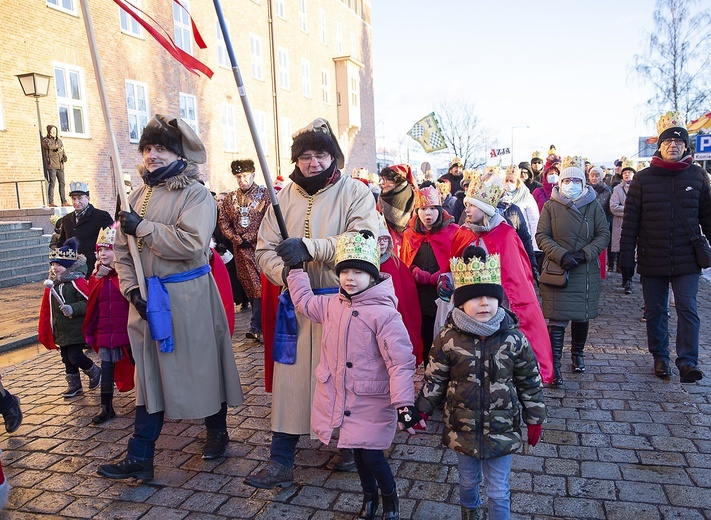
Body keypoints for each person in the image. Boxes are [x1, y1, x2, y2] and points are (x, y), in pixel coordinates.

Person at [98, 114, 244, 480]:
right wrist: (132, 290)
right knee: (151, 377)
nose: (153, 155)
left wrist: (143, 228)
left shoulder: (196, 195)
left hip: (189, 297)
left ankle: (217, 430)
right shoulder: (136, 195)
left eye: (161, 148)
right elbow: (122, 251)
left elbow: (191, 243)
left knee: (202, 367)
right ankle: (140, 456)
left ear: (177, 153)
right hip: (147, 302)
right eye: (148, 148)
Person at [248, 118, 377, 489]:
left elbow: (363, 240)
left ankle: (349, 446)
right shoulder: (282, 198)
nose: (313, 163)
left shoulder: (355, 192)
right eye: (305, 156)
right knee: (291, 381)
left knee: (343, 377)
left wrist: (311, 248)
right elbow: (264, 251)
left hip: (341, 301)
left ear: (332, 156)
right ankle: (281, 459)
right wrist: (288, 274)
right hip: (297, 303)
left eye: (320, 155)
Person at [286, 230, 421, 520]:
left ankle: (390, 500)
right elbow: (306, 303)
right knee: (358, 453)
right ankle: (369, 499)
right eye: (345, 270)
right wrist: (295, 271)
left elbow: (399, 362)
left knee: (372, 454)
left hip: (372, 399)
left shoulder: (384, 315)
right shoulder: (334, 305)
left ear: (372, 276)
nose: (350, 278)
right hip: (344, 398)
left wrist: (403, 404)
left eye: (358, 272)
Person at [415, 246, 546, 520]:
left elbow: (529, 380)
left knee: (498, 491)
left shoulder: (513, 339)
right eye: (476, 298)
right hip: (462, 428)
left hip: (501, 428)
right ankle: (470, 514)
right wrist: (423, 408)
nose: (484, 303)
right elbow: (435, 376)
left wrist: (535, 416)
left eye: (490, 296)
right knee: (468, 483)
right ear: (461, 303)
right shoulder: (448, 338)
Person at [620, 111, 711, 383]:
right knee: (656, 311)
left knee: (688, 308)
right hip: (652, 256)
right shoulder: (643, 179)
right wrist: (627, 259)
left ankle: (687, 362)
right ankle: (660, 357)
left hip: (687, 258)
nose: (674, 145)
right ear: (659, 146)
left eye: (679, 142)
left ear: (686, 147)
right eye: (668, 141)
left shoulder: (697, 176)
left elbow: (707, 217)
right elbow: (631, 222)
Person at [448, 175, 554, 384]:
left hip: (499, 304)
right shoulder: (463, 233)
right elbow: (451, 266)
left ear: (486, 208)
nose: (466, 210)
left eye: (472, 206)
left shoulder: (505, 234)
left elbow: (517, 275)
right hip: (467, 304)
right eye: (466, 205)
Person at [536, 156, 610, 385]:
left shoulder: (593, 204)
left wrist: (584, 254)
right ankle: (554, 365)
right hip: (559, 270)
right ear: (560, 183)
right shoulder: (550, 205)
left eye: (576, 180)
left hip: (584, 270)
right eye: (567, 180)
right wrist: (562, 254)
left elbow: (603, 234)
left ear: (583, 182)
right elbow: (541, 236)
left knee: (581, 316)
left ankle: (578, 354)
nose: (571, 184)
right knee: (557, 318)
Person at [400, 185, 459, 365]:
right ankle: (429, 373)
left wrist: (443, 274)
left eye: (433, 208)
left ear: (440, 210)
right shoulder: (410, 234)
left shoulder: (453, 232)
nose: (428, 213)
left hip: (444, 297)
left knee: (445, 336)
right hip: (419, 296)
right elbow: (404, 261)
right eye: (423, 209)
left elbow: (458, 261)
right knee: (425, 334)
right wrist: (415, 272)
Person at [83, 224, 135, 424]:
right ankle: (106, 406)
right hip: (107, 331)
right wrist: (91, 330)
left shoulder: (126, 275)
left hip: (128, 329)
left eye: (108, 249)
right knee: (106, 368)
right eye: (100, 250)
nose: (103, 254)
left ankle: (151, 398)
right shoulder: (97, 277)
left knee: (139, 364)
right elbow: (92, 306)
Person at [38, 238, 101, 397]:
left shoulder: (76, 282)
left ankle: (94, 371)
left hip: (75, 329)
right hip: (62, 330)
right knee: (66, 358)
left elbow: (88, 302)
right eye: (53, 264)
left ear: (67, 265)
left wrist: (72, 308)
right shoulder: (55, 284)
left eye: (58, 265)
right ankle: (74, 386)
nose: (54, 268)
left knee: (75, 356)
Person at [218, 159, 271, 341]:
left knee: (261, 286)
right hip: (240, 250)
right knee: (250, 287)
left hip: (261, 248)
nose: (242, 180)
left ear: (253, 175)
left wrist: (251, 237)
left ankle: (258, 324)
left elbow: (269, 220)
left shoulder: (264, 195)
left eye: (245, 175)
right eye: (238, 176)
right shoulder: (229, 199)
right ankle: (258, 323)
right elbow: (223, 221)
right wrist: (235, 238)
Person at [377, 213, 423, 365]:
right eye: (378, 239)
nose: (382, 243)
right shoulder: (366, 265)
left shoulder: (396, 264)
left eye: (385, 239)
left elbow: (406, 296)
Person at [57, 181, 113, 277]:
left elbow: (110, 240)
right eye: (73, 199)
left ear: (88, 198)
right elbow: (61, 242)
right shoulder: (66, 219)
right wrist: (57, 261)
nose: (76, 202)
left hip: (93, 266)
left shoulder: (100, 216)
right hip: (72, 268)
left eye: (80, 198)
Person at [378, 164, 416, 257]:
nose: (382, 183)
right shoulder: (382, 197)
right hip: (386, 244)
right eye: (382, 179)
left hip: (408, 244)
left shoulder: (413, 197)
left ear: (397, 181)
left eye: (386, 180)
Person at [609, 159, 636, 288]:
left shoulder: (638, 187)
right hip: (620, 224)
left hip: (636, 224)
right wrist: (630, 209)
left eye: (630, 172)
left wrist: (623, 207)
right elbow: (613, 207)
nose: (627, 175)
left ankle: (630, 277)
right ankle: (626, 278)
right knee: (622, 251)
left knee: (633, 251)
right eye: (625, 172)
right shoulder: (617, 189)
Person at [588, 166, 613, 277]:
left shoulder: (607, 191)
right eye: (592, 175)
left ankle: (600, 272)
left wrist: (606, 223)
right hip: (588, 223)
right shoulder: (586, 189)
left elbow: (610, 210)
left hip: (602, 224)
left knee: (601, 249)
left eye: (597, 175)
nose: (594, 178)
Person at [42, 124, 68, 207]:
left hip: (60, 165)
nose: (53, 132)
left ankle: (64, 201)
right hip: (52, 165)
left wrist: (64, 156)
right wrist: (58, 147)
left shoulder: (59, 141)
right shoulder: (46, 141)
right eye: (52, 131)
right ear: (49, 132)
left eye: (55, 131)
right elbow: (50, 147)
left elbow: (62, 150)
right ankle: (51, 202)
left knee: (62, 183)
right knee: (52, 183)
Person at [532, 147, 561, 212]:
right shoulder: (538, 192)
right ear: (545, 176)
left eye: (556, 174)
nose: (554, 175)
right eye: (551, 174)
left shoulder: (562, 192)